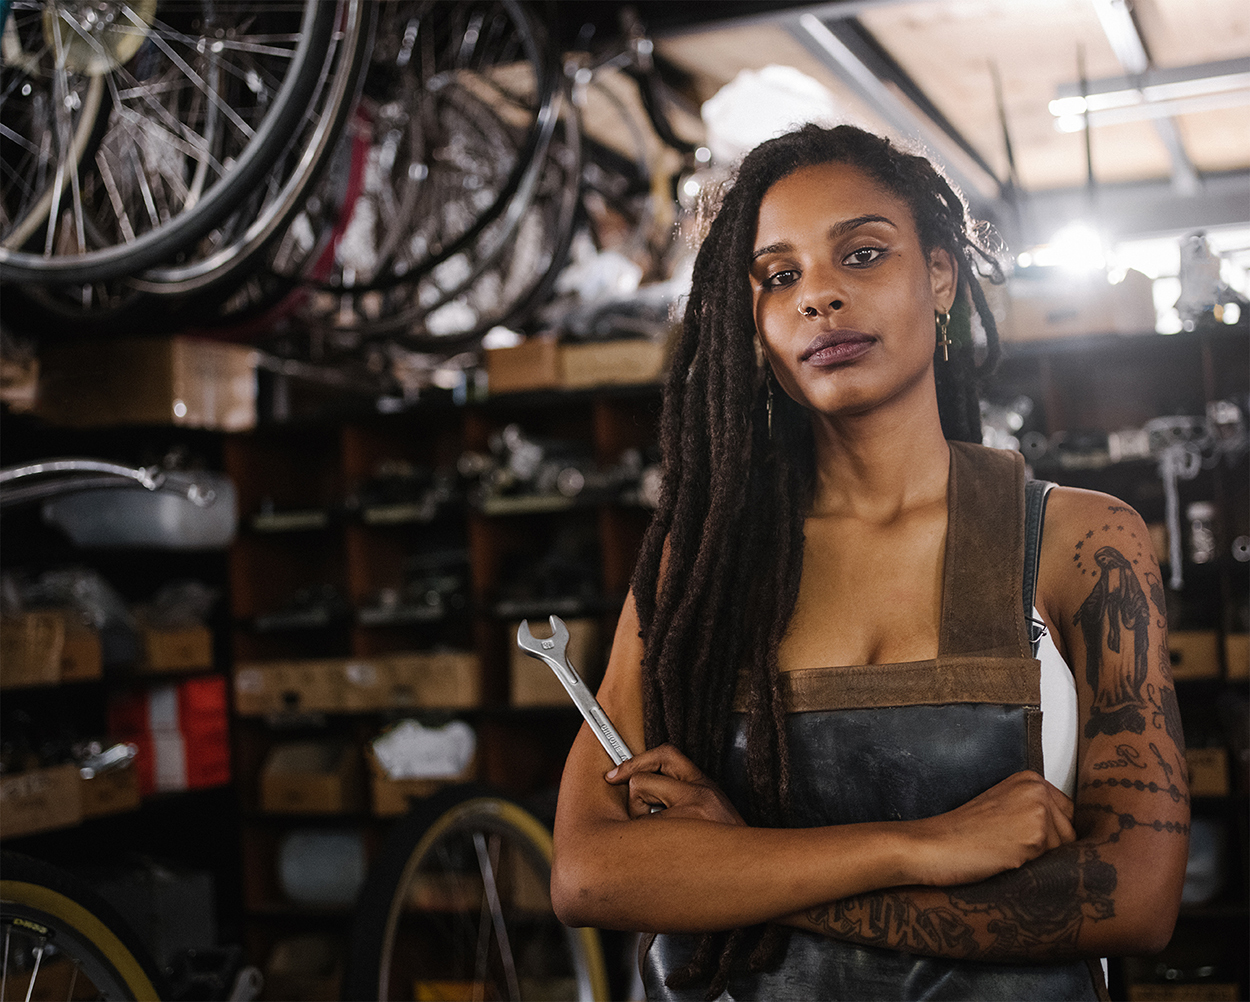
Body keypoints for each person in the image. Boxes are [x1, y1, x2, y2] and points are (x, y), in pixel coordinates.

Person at [550, 124, 1188, 1001]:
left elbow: (1138, 899)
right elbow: (591, 875)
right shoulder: (698, 568)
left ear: (939, 276)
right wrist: (920, 845)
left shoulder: (1085, 545)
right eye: (780, 276)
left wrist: (732, 872)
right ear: (755, 322)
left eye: (861, 254)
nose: (819, 297)